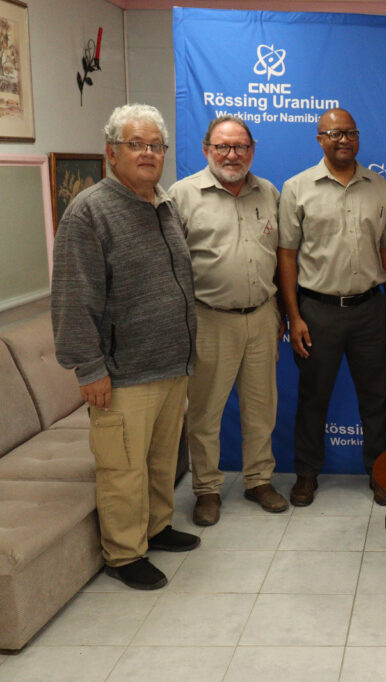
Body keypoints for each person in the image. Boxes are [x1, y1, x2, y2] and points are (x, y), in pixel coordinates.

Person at [51, 103, 199, 590]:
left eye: (156, 145)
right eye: (136, 144)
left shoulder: (164, 204)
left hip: (171, 365)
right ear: (111, 152)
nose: (148, 153)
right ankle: (124, 553)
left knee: (160, 461)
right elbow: (73, 298)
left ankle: (156, 528)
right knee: (123, 469)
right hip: (122, 374)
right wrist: (89, 368)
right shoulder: (89, 212)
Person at [277, 108, 386, 507]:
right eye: (334, 133)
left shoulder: (377, 186)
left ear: (358, 137)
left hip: (369, 310)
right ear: (320, 139)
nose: (343, 139)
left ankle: (379, 473)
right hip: (317, 311)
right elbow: (286, 255)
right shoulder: (297, 187)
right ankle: (306, 474)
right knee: (313, 398)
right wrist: (293, 316)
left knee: (375, 399)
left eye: (350, 132)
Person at [168, 114, 287, 526]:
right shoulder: (182, 195)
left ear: (252, 150)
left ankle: (258, 480)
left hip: (262, 316)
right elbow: (170, 265)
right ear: (206, 150)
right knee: (205, 413)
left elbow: (279, 257)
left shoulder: (268, 192)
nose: (232, 155)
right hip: (209, 319)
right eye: (222, 147)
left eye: (240, 147)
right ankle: (207, 489)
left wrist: (281, 312)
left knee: (261, 408)